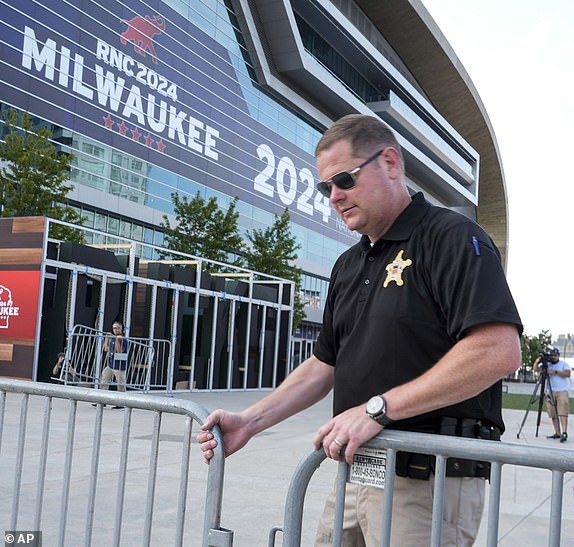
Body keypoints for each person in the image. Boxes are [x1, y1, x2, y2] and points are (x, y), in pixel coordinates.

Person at [197, 114, 522, 546]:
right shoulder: (348, 265)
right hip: (355, 471)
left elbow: (497, 350)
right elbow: (323, 363)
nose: (334, 196)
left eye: (344, 180)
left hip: (427, 480)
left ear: (389, 162)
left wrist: (377, 409)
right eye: (325, 187)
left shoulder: (451, 237)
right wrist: (250, 422)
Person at [533, 347, 570, 442]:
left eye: (555, 355)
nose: (553, 357)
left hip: (562, 391)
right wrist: (537, 361)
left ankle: (564, 433)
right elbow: (535, 369)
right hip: (549, 391)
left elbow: (567, 374)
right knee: (552, 413)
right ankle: (557, 432)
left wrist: (555, 372)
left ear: (558, 356)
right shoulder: (547, 364)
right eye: (552, 355)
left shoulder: (563, 364)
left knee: (562, 413)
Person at [99, 320, 128, 408]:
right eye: (114, 328)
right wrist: (107, 339)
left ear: (121, 329)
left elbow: (119, 351)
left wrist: (117, 341)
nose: (115, 330)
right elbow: (106, 349)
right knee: (104, 380)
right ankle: (102, 400)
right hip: (111, 364)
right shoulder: (113, 338)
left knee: (120, 384)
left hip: (119, 365)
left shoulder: (122, 339)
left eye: (117, 328)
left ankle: (121, 403)